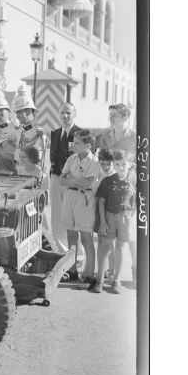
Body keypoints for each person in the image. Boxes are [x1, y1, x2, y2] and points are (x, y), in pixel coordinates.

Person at [96, 103, 137, 285]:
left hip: (130, 187)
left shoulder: (135, 137)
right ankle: (112, 272)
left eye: (115, 116)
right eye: (110, 115)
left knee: (132, 235)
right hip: (111, 187)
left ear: (125, 117)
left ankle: (137, 270)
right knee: (111, 233)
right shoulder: (106, 135)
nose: (111, 118)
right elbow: (102, 158)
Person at [59, 129, 101, 286]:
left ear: (88, 145)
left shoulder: (94, 162)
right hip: (70, 197)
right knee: (71, 235)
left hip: (85, 199)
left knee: (85, 237)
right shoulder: (71, 159)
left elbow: (87, 183)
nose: (73, 145)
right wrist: (77, 181)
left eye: (77, 143)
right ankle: (72, 270)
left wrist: (73, 179)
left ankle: (89, 273)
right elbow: (62, 180)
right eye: (73, 142)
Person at [92, 150, 136, 294]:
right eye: (117, 164)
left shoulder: (133, 180)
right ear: (114, 165)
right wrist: (103, 222)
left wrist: (130, 218)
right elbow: (101, 203)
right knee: (106, 248)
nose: (121, 167)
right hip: (110, 217)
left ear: (129, 164)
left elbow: (138, 201)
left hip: (125, 218)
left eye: (124, 164)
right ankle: (100, 280)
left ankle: (116, 280)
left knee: (120, 248)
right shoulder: (108, 181)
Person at [49, 102, 81, 250]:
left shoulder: (81, 134)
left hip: (72, 182)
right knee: (56, 216)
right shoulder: (54, 133)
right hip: (56, 179)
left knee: (72, 217)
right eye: (62, 112)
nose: (65, 116)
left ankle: (76, 252)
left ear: (74, 114)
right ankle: (62, 249)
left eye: (68, 113)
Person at [11, 86, 46, 168]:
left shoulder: (38, 132)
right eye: (16, 113)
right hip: (19, 174)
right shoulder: (19, 130)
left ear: (29, 111)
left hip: (31, 176)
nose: (17, 116)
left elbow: (35, 158)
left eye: (19, 112)